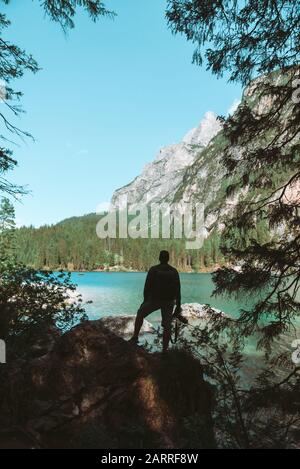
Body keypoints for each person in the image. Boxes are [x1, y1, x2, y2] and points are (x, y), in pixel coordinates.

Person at [129, 250, 181, 352]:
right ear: (168, 258)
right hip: (169, 302)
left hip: (154, 300)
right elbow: (178, 289)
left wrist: (145, 301)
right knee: (167, 326)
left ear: (159, 258)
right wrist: (178, 305)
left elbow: (147, 287)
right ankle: (165, 350)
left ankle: (135, 337)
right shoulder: (174, 271)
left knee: (140, 314)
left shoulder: (154, 269)